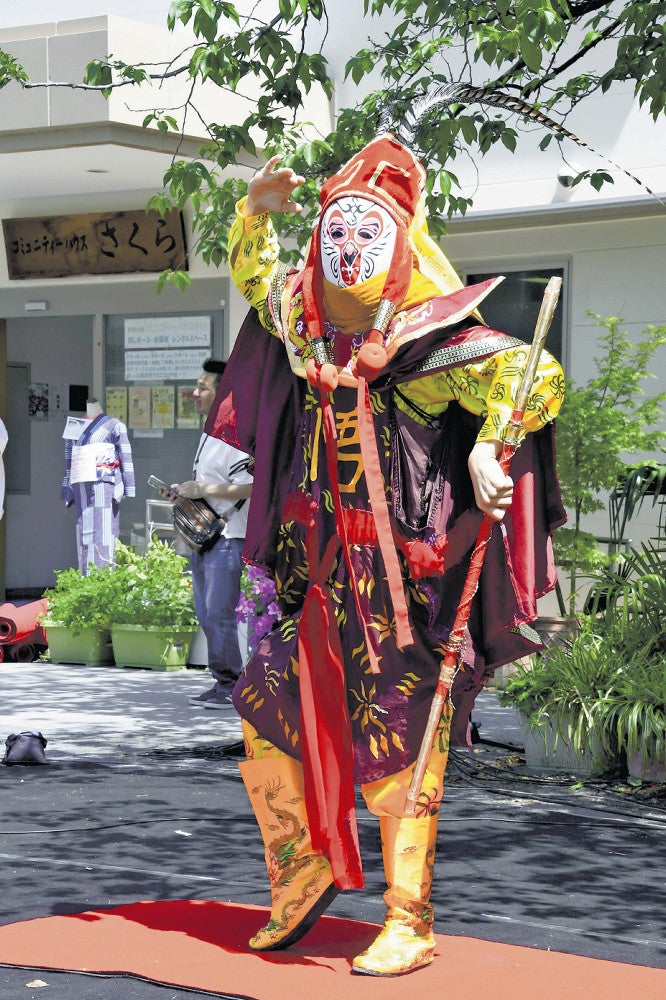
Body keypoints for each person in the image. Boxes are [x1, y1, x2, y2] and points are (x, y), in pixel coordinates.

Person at [211, 132, 566, 975]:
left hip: (400, 586)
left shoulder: (426, 341)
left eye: (367, 234)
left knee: (400, 740)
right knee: (264, 708)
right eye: (335, 230)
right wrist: (254, 215)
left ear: (401, 246)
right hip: (315, 575)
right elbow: (259, 279)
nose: (348, 249)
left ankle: (410, 918)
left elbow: (533, 375)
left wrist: (490, 448)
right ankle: (299, 872)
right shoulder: (304, 325)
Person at [174, 359, 253, 709]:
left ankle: (232, 685)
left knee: (219, 613)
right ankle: (223, 680)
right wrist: (184, 491)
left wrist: (201, 488)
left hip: (228, 537)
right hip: (205, 537)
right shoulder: (209, 433)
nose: (195, 393)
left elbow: (249, 486)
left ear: (222, 392)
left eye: (203, 387)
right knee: (206, 613)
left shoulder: (235, 434)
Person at [61, 398, 135, 573]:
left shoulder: (115, 426)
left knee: (105, 532)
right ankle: (85, 578)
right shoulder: (75, 426)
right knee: (83, 532)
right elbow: (69, 458)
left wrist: (128, 484)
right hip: (81, 485)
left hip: (104, 485)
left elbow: (125, 454)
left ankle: (104, 579)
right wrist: (68, 485)